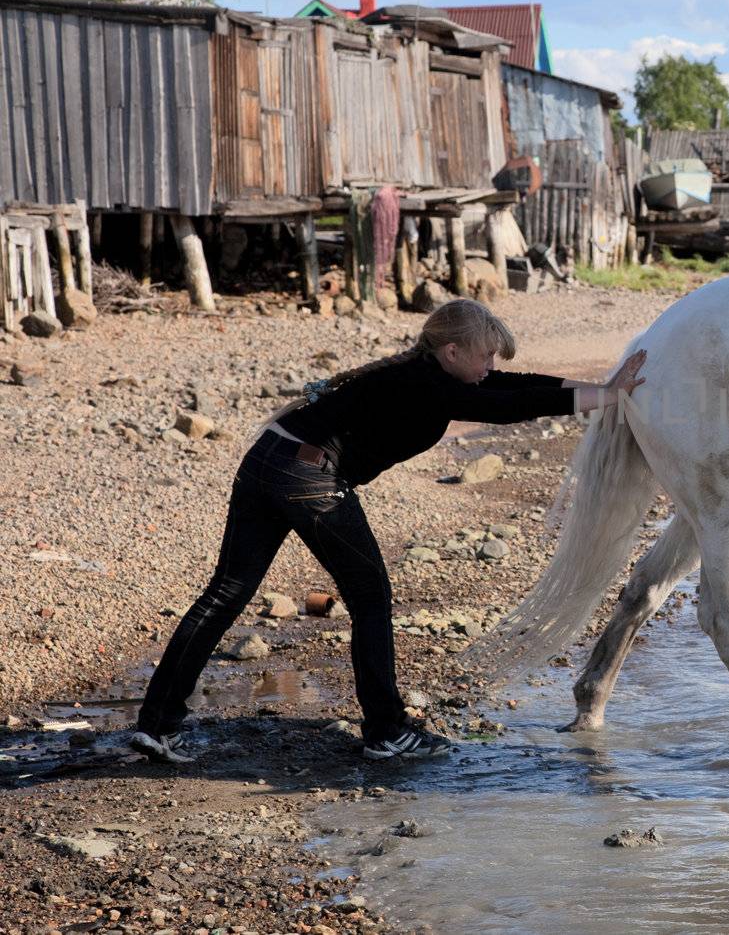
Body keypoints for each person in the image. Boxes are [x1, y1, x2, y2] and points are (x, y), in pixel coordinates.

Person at [129, 299, 646, 763]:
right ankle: (386, 731)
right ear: (450, 351)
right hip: (308, 477)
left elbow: (517, 384)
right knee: (371, 599)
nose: (491, 367)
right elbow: (508, 407)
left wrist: (603, 388)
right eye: (486, 356)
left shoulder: (426, 372)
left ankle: (156, 725)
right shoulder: (428, 387)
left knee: (225, 593)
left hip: (268, 459)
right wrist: (602, 397)